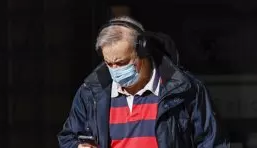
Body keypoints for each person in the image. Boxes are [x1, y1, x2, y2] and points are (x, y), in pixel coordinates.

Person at [58, 16, 228, 148]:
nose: (115, 70)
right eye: (109, 64)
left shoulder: (186, 89)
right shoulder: (90, 93)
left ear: (143, 51)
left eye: (122, 62)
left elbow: (212, 142)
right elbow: (68, 137)